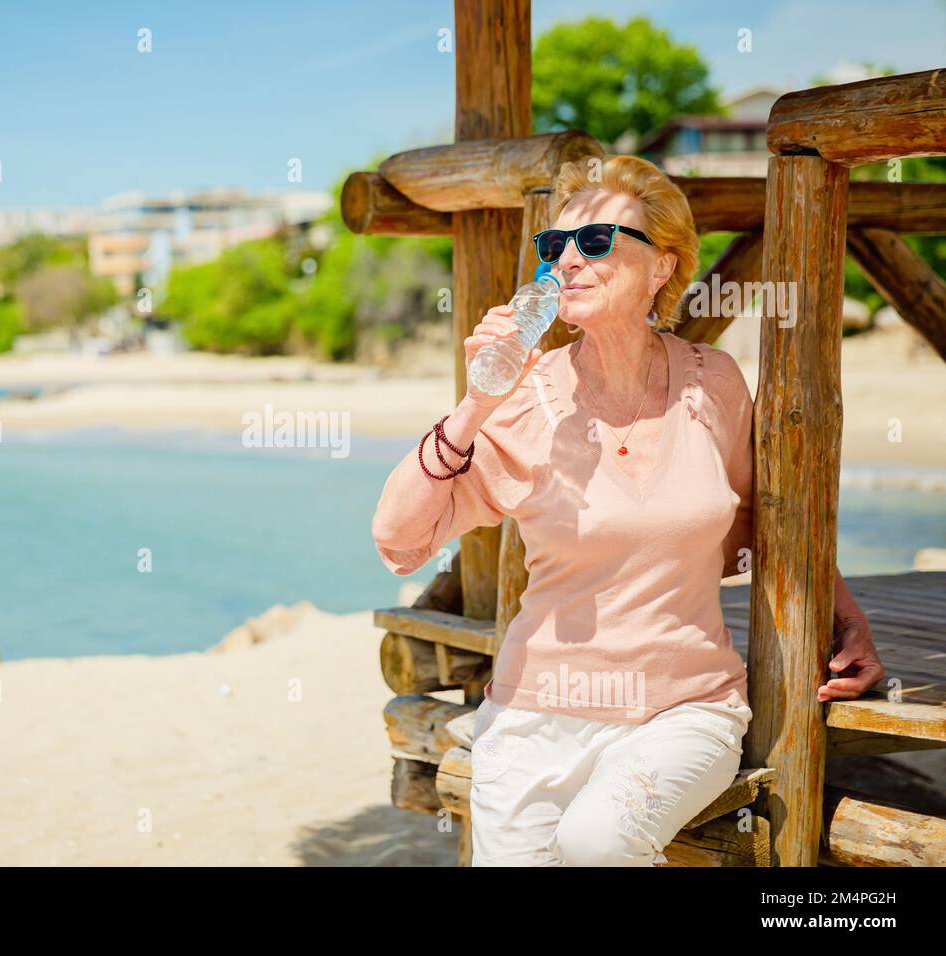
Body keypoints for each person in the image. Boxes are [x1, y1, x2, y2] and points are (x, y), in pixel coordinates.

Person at [369, 154, 884, 866]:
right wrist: (473, 406)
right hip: (531, 718)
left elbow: (773, 530)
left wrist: (847, 620)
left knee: (598, 841)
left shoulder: (715, 386)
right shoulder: (520, 401)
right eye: (554, 247)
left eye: (597, 242)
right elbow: (398, 540)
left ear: (662, 267)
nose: (568, 261)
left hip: (683, 711)